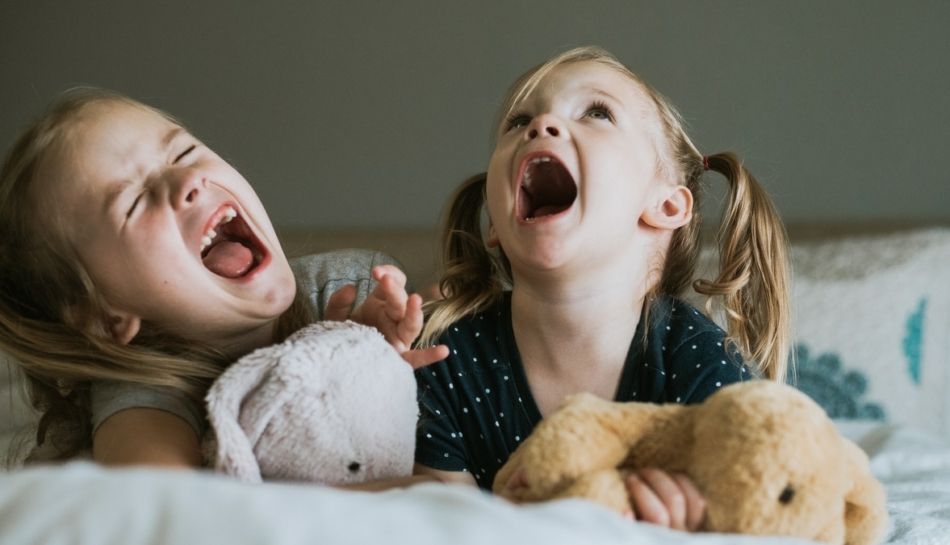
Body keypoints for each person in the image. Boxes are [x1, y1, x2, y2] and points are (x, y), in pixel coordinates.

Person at [413, 46, 791, 530]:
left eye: (596, 112)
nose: (542, 124)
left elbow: (763, 504)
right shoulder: (443, 355)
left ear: (668, 206)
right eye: (518, 121)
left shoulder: (694, 357)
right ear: (494, 225)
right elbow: (440, 524)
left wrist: (698, 522)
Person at [0, 89, 447, 490]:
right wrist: (394, 498)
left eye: (185, 152)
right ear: (105, 314)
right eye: (135, 202)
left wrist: (368, 354)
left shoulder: (350, 285)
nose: (187, 180)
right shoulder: (144, 391)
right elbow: (175, 513)